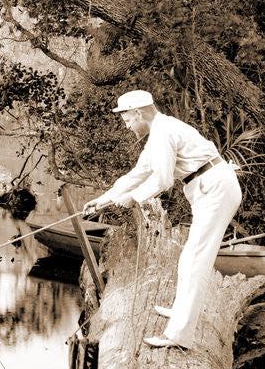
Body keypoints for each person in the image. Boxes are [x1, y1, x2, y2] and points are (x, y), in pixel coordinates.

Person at [83, 89, 242, 350]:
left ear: (139, 112)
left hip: (215, 188)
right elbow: (138, 174)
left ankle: (179, 336)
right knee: (189, 258)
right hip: (209, 187)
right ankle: (181, 312)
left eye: (127, 117)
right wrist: (103, 199)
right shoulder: (158, 133)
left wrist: (134, 198)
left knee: (196, 262)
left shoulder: (163, 132)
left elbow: (163, 180)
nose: (125, 122)